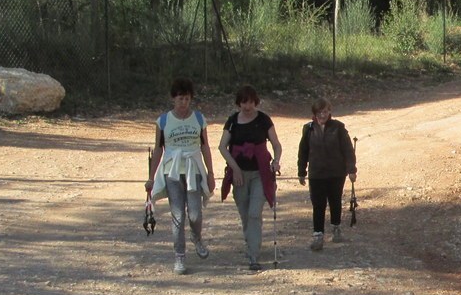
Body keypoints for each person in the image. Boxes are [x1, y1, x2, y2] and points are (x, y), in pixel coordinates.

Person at [147, 77, 217, 276]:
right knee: (178, 214)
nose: (183, 103)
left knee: (194, 213)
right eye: (180, 99)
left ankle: (197, 236)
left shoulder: (199, 119)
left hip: (193, 169)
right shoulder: (163, 121)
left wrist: (211, 173)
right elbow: (158, 150)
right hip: (172, 171)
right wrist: (151, 178)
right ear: (173, 99)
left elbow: (205, 146)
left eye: (186, 99)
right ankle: (179, 255)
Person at [218, 85, 282, 271]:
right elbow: (222, 147)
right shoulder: (232, 121)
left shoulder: (263, 120)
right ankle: (251, 243)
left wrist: (276, 160)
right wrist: (235, 169)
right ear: (239, 103)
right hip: (239, 175)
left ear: (256, 102)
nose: (248, 106)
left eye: (251, 102)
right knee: (245, 214)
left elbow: (276, 145)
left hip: (260, 173)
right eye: (244, 102)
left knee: (254, 213)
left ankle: (253, 255)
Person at [297, 98, 358, 251]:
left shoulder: (338, 127)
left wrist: (351, 169)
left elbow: (348, 149)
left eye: (325, 111)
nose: (322, 115)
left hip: (336, 172)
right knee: (318, 204)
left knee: (335, 200)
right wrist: (301, 171)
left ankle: (336, 228)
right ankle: (318, 235)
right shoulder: (309, 129)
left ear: (329, 111)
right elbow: (303, 151)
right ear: (314, 114)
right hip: (316, 173)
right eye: (319, 112)